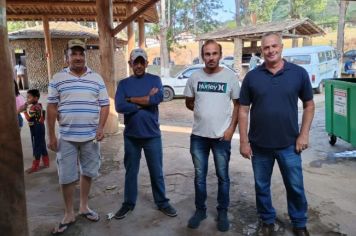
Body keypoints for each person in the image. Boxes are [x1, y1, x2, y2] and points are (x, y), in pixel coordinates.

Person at [238, 32, 315, 236]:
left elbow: (309, 105)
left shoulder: (298, 73)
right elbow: (243, 110)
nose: (270, 50)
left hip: (290, 144)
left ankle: (299, 223)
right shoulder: (252, 77)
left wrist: (304, 134)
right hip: (259, 145)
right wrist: (244, 141)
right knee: (262, 186)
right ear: (261, 50)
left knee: (295, 186)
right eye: (266, 48)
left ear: (281, 47)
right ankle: (267, 220)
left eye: (274, 46)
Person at [47, 39, 110, 235]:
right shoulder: (57, 79)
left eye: (81, 53)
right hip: (66, 137)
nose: (78, 57)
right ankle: (69, 213)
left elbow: (105, 104)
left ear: (85, 56)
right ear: (66, 57)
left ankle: (83, 206)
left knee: (88, 172)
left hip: (90, 137)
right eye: (73, 54)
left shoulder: (96, 79)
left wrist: (101, 127)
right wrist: (51, 135)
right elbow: (51, 108)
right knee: (66, 176)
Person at [184, 39, 240, 232]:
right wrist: (203, 112)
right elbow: (189, 101)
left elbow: (238, 105)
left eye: (214, 53)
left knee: (223, 176)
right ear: (202, 56)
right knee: (199, 176)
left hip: (221, 138)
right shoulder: (195, 77)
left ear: (220, 55)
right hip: (198, 136)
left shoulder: (230, 77)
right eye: (207, 54)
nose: (211, 57)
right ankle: (201, 211)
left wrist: (231, 129)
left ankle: (222, 211)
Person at [114, 48, 177, 220]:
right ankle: (128, 203)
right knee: (131, 172)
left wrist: (132, 99)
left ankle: (162, 202)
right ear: (130, 64)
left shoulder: (155, 79)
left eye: (142, 62)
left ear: (147, 63)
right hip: (131, 137)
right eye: (136, 62)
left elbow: (157, 99)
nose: (139, 65)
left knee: (156, 171)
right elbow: (119, 106)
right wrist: (144, 101)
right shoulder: (124, 84)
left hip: (152, 136)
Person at [21, 89, 49, 173]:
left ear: (36, 98)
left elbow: (29, 118)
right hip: (40, 127)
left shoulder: (34, 107)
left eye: (29, 97)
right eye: (27, 97)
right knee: (42, 144)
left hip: (36, 128)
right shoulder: (39, 105)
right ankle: (46, 162)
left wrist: (24, 111)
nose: (27, 99)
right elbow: (42, 116)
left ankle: (35, 166)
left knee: (36, 146)